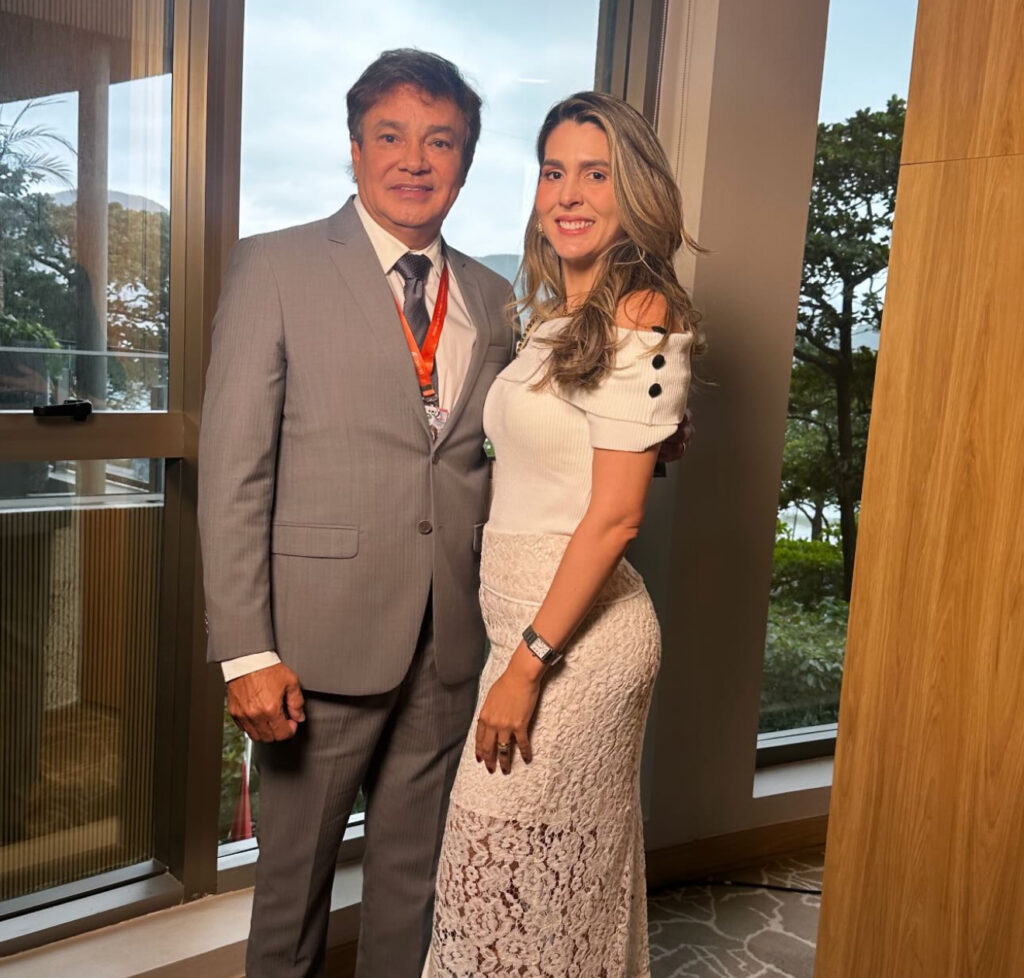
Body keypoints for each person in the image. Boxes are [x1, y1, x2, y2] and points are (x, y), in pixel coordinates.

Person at [199, 50, 515, 978]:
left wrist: (648, 433)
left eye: (440, 141)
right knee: (291, 893)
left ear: (464, 161)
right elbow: (235, 471)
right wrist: (246, 653)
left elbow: (507, 451)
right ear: (355, 149)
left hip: (448, 641)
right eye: (391, 136)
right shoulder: (276, 265)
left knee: (415, 888)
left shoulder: (493, 298)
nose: (414, 160)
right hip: (315, 649)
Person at [423, 91, 702, 978]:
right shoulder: (549, 321)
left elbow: (617, 516)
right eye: (553, 172)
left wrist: (527, 666)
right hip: (523, 625)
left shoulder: (642, 312)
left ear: (636, 193)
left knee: (498, 889)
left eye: (596, 174)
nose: (569, 194)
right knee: (527, 904)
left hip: (574, 645)